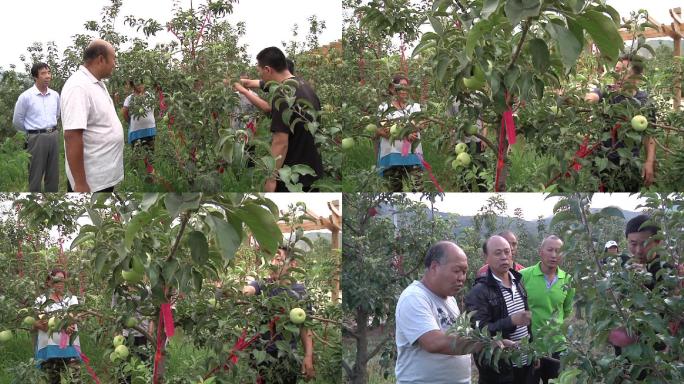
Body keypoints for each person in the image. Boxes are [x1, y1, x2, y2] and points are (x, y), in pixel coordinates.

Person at [395, 241, 515, 383]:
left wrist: (498, 343)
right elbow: (434, 342)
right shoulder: (414, 297)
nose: (462, 278)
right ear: (434, 267)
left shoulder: (449, 299)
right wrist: (486, 343)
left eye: (464, 272)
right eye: (457, 271)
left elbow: (457, 337)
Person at [238, 47, 323, 192]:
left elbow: (280, 142)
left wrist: (271, 179)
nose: (260, 75)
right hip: (311, 168)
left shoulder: (282, 94)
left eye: (260, 71)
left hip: (291, 174)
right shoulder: (303, 85)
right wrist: (240, 83)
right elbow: (260, 84)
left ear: (267, 69)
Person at [465, 235, 534, 384]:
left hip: (525, 363)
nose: (504, 257)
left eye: (507, 252)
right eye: (498, 253)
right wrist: (511, 321)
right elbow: (479, 333)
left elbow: (527, 326)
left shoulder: (518, 282)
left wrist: (533, 353)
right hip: (500, 370)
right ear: (486, 258)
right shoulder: (479, 292)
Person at [242, 246, 315, 383]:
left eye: (276, 259)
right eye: (269, 260)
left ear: (293, 264)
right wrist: (241, 290)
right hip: (261, 354)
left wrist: (308, 356)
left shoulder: (301, 293)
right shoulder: (263, 285)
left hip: (287, 356)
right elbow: (249, 289)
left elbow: (305, 328)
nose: (272, 264)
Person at [584, 54, 656, 191]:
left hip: (629, 163)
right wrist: (582, 98)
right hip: (602, 159)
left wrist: (649, 161)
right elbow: (592, 96)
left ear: (637, 76)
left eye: (623, 71)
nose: (618, 75)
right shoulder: (609, 92)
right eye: (616, 71)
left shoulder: (645, 101)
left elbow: (650, 135)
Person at [61, 39, 123, 192]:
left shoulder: (96, 83)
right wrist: (80, 184)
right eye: (114, 58)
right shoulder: (78, 87)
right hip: (91, 183)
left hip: (103, 177)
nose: (115, 63)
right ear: (101, 59)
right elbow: (72, 136)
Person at [519, 235, 575, 384]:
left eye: (558, 251)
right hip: (531, 346)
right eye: (550, 250)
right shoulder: (524, 276)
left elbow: (567, 309)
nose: (554, 255)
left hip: (557, 346)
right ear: (540, 252)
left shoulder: (568, 280)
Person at [12, 62, 60, 192]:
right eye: (43, 73)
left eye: (49, 72)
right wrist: (30, 133)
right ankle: (35, 201)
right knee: (35, 174)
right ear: (35, 76)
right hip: (36, 137)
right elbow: (17, 120)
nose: (47, 76)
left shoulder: (55, 95)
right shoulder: (26, 97)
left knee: (53, 174)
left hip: (53, 135)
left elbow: (57, 115)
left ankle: (52, 199)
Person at [375, 74, 426, 192]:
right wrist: (405, 134)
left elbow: (421, 123)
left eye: (406, 86)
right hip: (392, 156)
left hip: (413, 155)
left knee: (418, 189)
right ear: (392, 88)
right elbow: (383, 130)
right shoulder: (384, 108)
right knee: (395, 191)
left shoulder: (414, 107)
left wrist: (416, 128)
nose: (404, 89)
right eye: (401, 86)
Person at [33, 269, 82, 383]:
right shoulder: (41, 300)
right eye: (56, 280)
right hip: (49, 350)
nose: (60, 283)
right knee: (53, 380)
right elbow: (40, 323)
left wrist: (58, 324)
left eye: (62, 280)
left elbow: (73, 317)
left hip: (70, 348)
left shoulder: (71, 298)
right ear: (49, 281)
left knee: (75, 380)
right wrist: (63, 326)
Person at [121, 80, 156, 151]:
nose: (140, 85)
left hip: (150, 130)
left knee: (150, 155)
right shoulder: (130, 98)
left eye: (142, 83)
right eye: (137, 84)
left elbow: (153, 110)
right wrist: (130, 122)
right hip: (136, 132)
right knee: (137, 154)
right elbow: (124, 113)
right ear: (133, 85)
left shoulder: (150, 95)